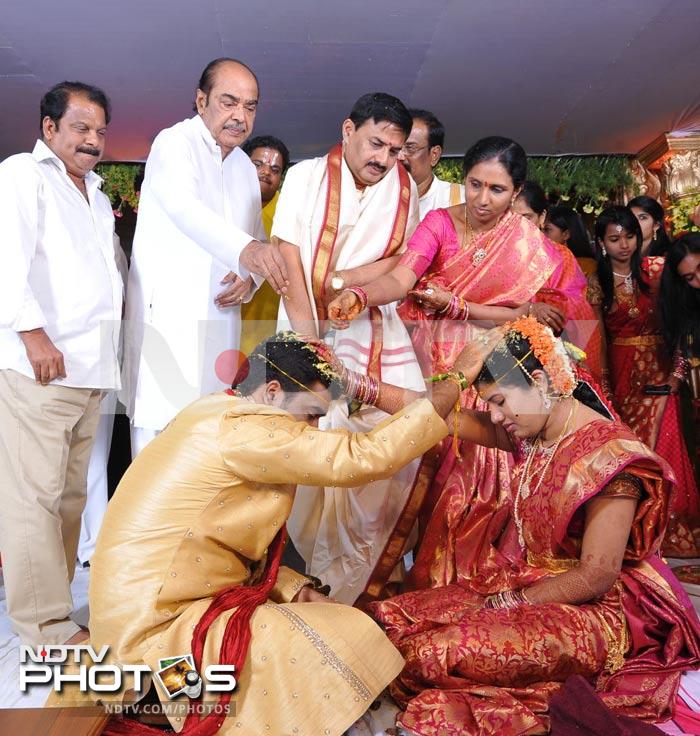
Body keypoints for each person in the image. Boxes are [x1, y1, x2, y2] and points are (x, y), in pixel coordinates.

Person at [66, 332, 469, 736]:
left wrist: (291, 587)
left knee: (330, 619)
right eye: (311, 415)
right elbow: (363, 457)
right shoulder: (245, 430)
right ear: (272, 391)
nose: (314, 428)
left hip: (155, 609)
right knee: (332, 636)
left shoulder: (216, 412)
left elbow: (221, 543)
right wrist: (458, 379)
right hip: (150, 640)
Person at [370, 317, 700, 735]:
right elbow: (431, 416)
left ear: (540, 380)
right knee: (390, 618)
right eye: (488, 403)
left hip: (599, 613)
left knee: (433, 651)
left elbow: (597, 575)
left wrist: (504, 605)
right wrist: (355, 384)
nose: (494, 414)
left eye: (499, 401)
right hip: (525, 585)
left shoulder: (612, 458)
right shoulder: (531, 431)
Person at [328, 136, 600, 604]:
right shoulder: (439, 223)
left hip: (497, 370)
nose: (481, 199)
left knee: (488, 483)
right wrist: (362, 294)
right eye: (474, 184)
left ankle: (477, 591)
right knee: (433, 476)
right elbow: (401, 279)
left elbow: (536, 315)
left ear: (516, 194)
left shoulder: (527, 244)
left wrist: (464, 307)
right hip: (434, 365)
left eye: (496, 190)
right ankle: (433, 585)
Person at [272, 92, 424, 603]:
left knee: (391, 434)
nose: (382, 158)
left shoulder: (404, 190)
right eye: (375, 142)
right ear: (347, 130)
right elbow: (289, 258)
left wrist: (349, 286)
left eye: (395, 150)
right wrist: (310, 342)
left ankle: (358, 580)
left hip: (371, 327)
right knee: (312, 443)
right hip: (303, 324)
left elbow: (404, 258)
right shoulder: (305, 177)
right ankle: (311, 577)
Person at [0, 81, 123, 645]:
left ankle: (58, 607)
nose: (93, 140)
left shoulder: (96, 195)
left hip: (89, 369)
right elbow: (7, 259)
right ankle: (45, 627)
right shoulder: (23, 176)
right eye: (80, 127)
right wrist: (32, 333)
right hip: (40, 367)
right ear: (49, 128)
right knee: (35, 499)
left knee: (70, 499)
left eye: (99, 130)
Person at [122, 57, 289, 458]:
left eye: (250, 107)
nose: (240, 116)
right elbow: (185, 209)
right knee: (159, 448)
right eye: (229, 102)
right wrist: (247, 253)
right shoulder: (174, 143)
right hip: (169, 321)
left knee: (207, 443)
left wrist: (251, 279)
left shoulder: (244, 169)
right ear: (201, 101)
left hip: (220, 324)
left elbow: (258, 236)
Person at [587, 206, 700, 556]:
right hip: (622, 378)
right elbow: (599, 340)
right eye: (615, 239)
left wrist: (678, 374)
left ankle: (672, 529)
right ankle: (636, 531)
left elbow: (680, 321)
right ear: (602, 243)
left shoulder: (657, 270)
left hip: (661, 371)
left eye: (630, 236)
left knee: (668, 447)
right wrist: (604, 389)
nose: (624, 245)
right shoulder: (597, 283)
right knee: (633, 455)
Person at [239, 134, 291, 355]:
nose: (266, 172)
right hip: (220, 315)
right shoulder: (223, 205)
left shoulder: (288, 213)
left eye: (275, 169)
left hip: (266, 321)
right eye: (257, 164)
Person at [398, 109, 464, 219]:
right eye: (394, 149)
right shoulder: (374, 197)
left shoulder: (461, 200)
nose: (399, 156)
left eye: (410, 148)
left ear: (434, 155)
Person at [544, 204, 597, 275]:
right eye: (540, 228)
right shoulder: (538, 262)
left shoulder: (587, 266)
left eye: (547, 230)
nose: (541, 234)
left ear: (566, 234)